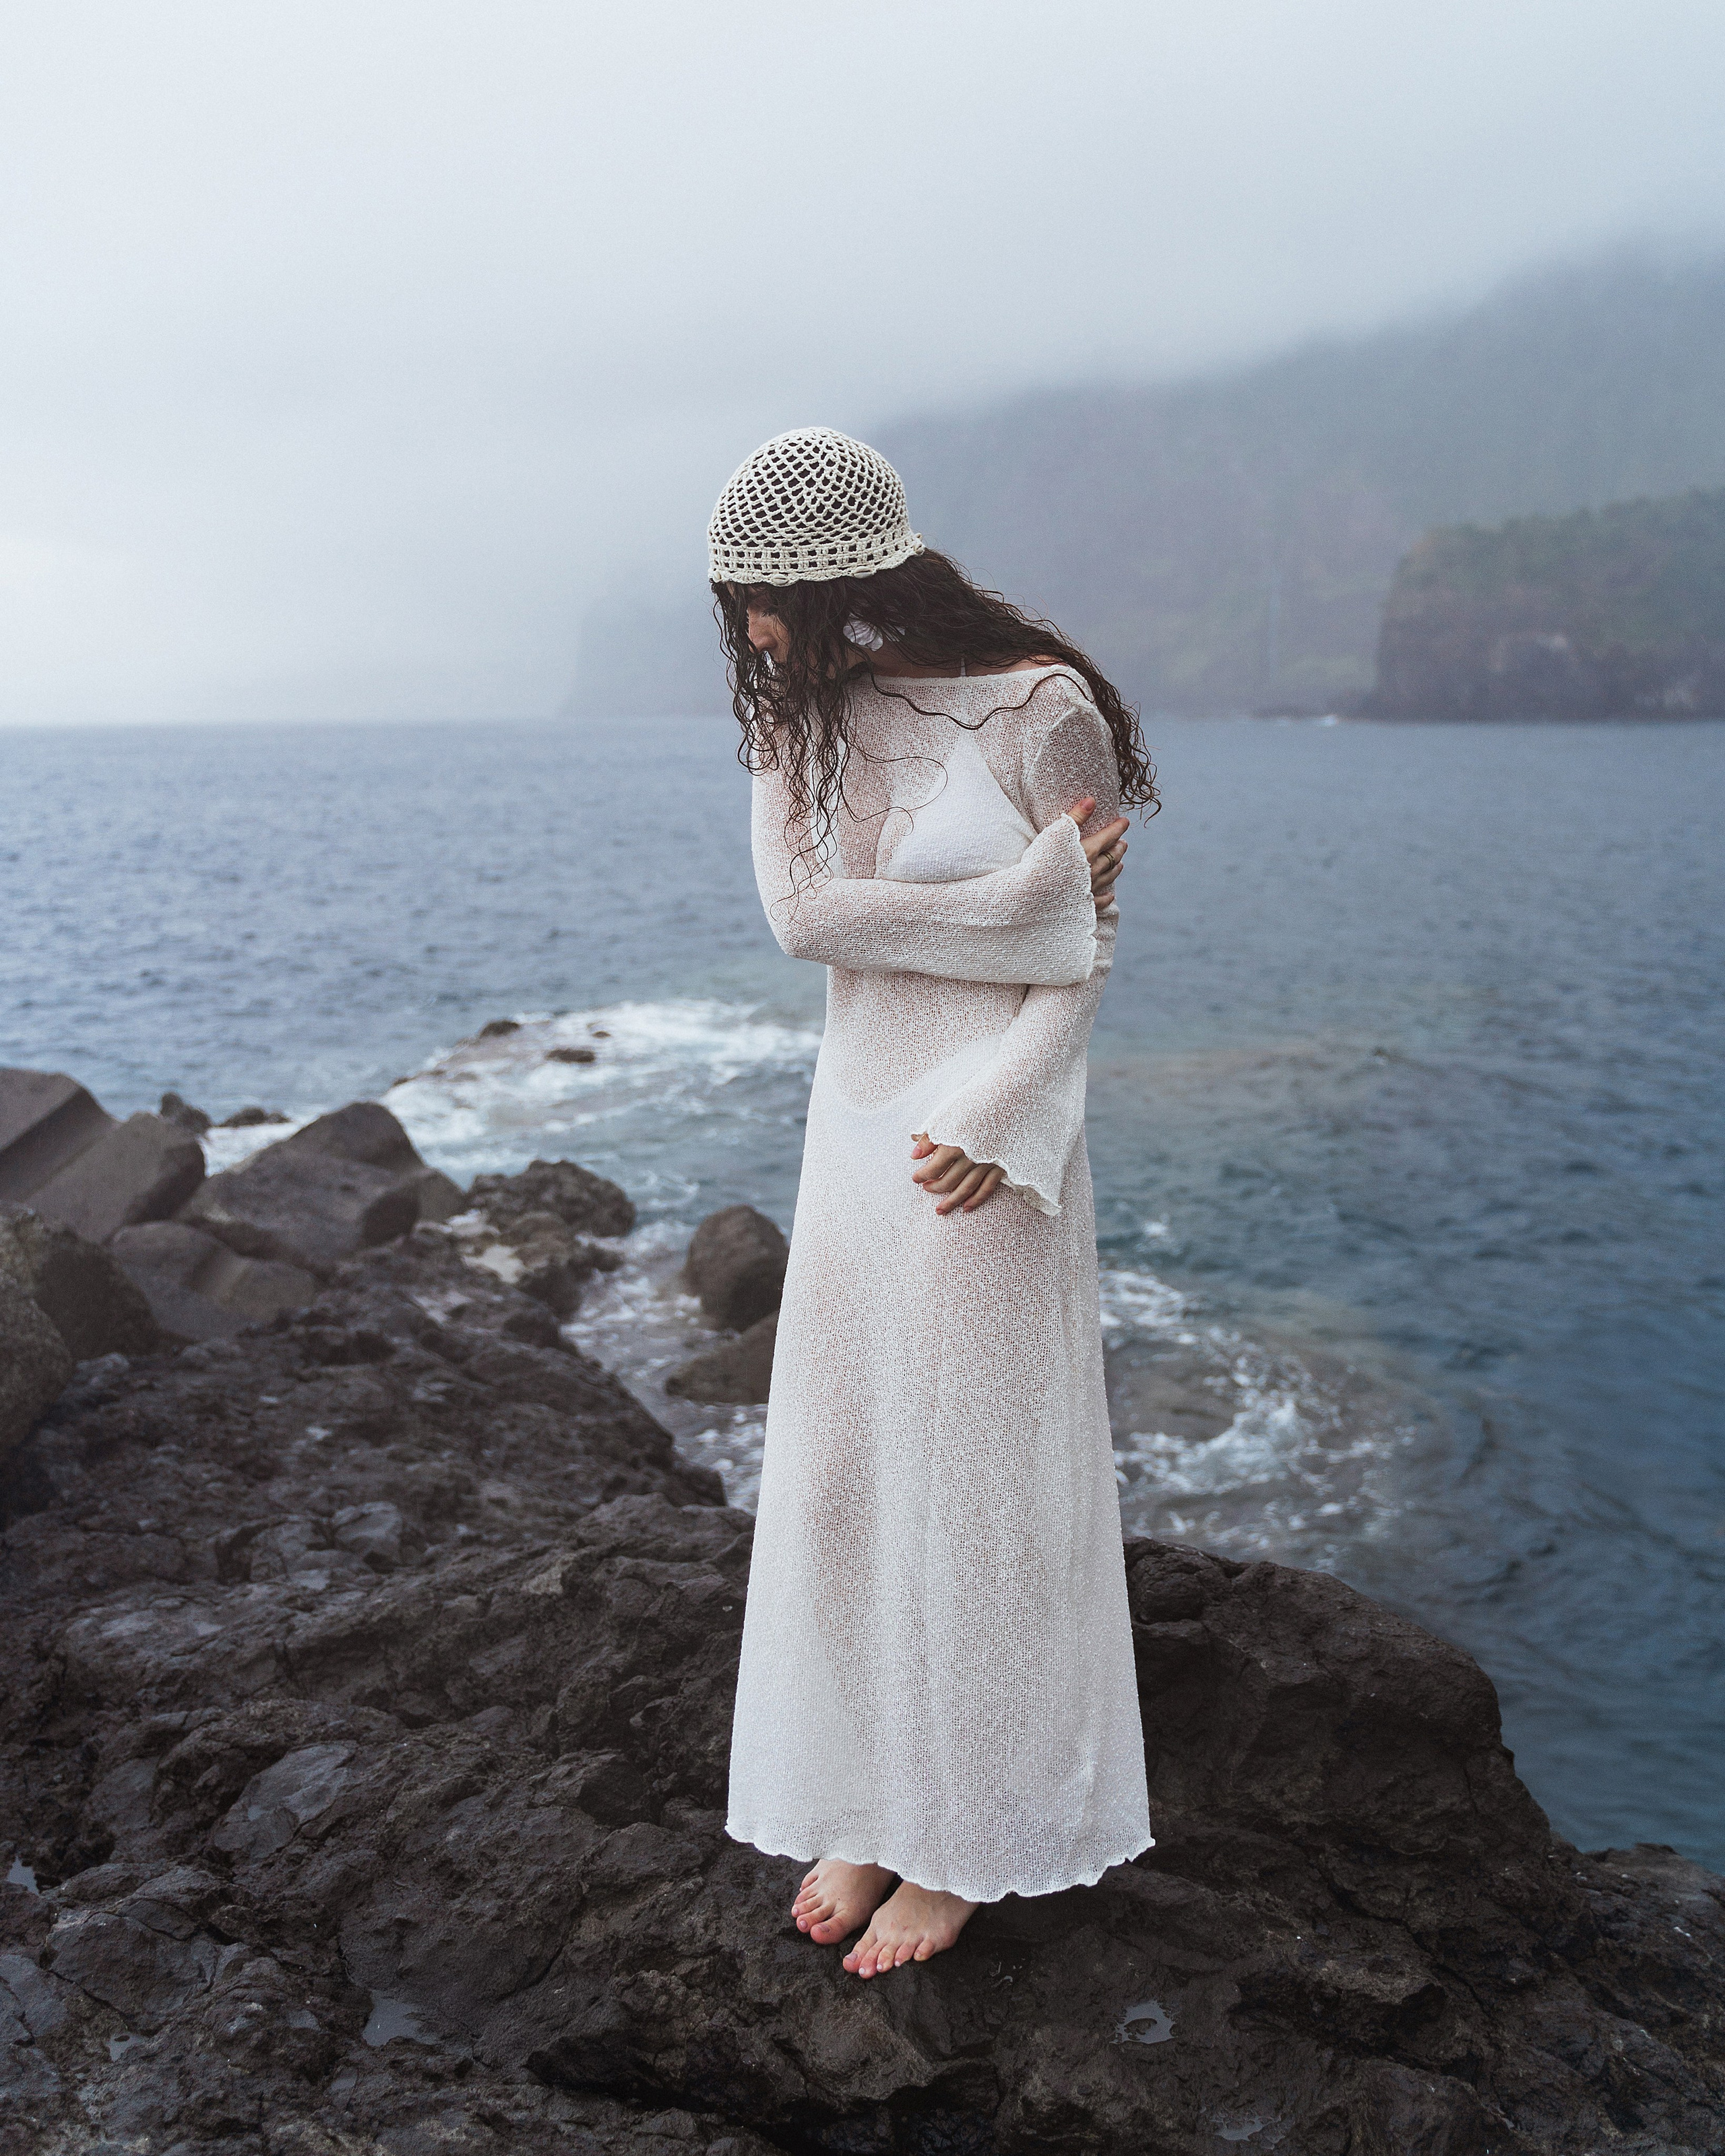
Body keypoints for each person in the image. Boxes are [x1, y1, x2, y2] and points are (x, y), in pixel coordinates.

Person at [710, 428, 1159, 1978]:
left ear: (844, 576)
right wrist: (1031, 901)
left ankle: (962, 1840)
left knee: (975, 1485)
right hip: (854, 1125)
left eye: (763, 598)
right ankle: (864, 1798)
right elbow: (800, 919)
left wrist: (1003, 1101)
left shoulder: (1042, 706)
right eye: (735, 599)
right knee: (847, 1470)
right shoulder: (797, 718)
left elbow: (1087, 965)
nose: (748, 630)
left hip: (986, 1130)